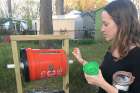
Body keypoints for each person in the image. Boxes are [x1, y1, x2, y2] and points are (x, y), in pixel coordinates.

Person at [72, 0, 140, 93]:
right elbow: (103, 73)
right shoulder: (112, 49)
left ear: (123, 24)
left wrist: (102, 84)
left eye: (106, 24)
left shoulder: (137, 56)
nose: (102, 29)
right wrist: (82, 61)